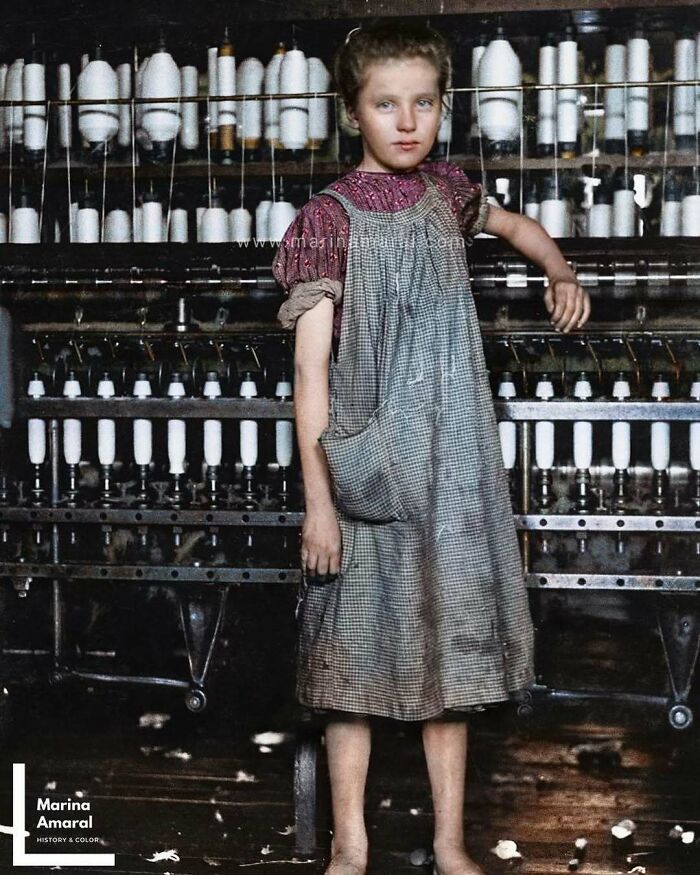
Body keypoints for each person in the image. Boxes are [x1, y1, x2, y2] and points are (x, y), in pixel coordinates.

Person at [273, 19, 591, 875]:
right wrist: (319, 506)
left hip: (450, 472)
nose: (406, 121)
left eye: (422, 102)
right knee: (352, 672)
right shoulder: (325, 220)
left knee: (448, 662)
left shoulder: (449, 192)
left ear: (444, 107)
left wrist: (560, 271)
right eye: (385, 104)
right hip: (366, 467)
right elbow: (310, 379)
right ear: (352, 113)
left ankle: (449, 843)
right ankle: (350, 846)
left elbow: (518, 226)